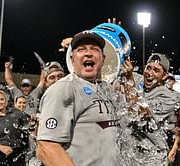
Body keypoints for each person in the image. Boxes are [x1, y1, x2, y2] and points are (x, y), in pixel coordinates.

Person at [36, 30, 119, 166]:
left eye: (94, 49)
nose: (88, 53)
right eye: (81, 49)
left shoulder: (103, 89)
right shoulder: (64, 88)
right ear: (72, 59)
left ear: (103, 59)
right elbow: (47, 147)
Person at [120, 53, 180, 165]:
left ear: (164, 76)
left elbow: (140, 114)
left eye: (156, 70)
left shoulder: (170, 97)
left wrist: (128, 79)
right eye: (148, 68)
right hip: (130, 152)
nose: (150, 73)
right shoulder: (138, 79)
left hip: (152, 157)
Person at [0, 90, 30, 166]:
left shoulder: (16, 113)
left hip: (18, 155)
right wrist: (0, 148)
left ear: (6, 101)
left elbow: (29, 128)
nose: (0, 102)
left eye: (2, 99)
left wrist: (33, 124)